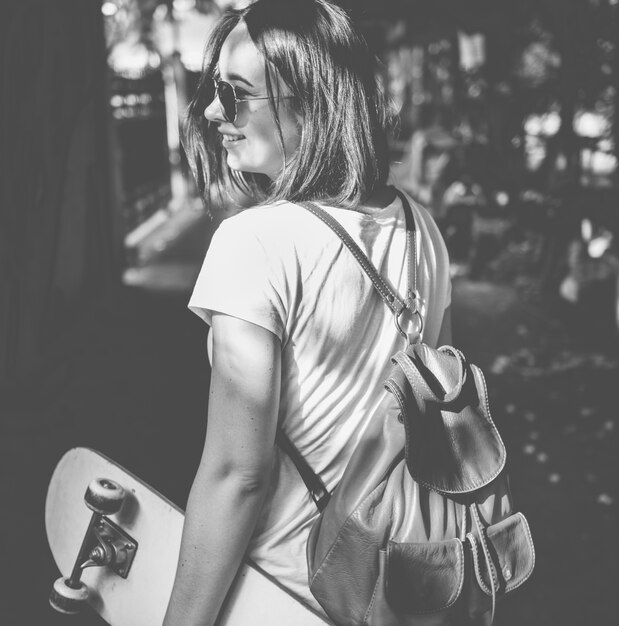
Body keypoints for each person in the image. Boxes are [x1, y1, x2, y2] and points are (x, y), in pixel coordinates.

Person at [163, 1, 452, 623]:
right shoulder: (419, 227)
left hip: (277, 596)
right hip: (385, 592)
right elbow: (434, 415)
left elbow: (236, 475)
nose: (214, 113)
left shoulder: (253, 242)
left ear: (307, 101)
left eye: (234, 94)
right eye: (212, 91)